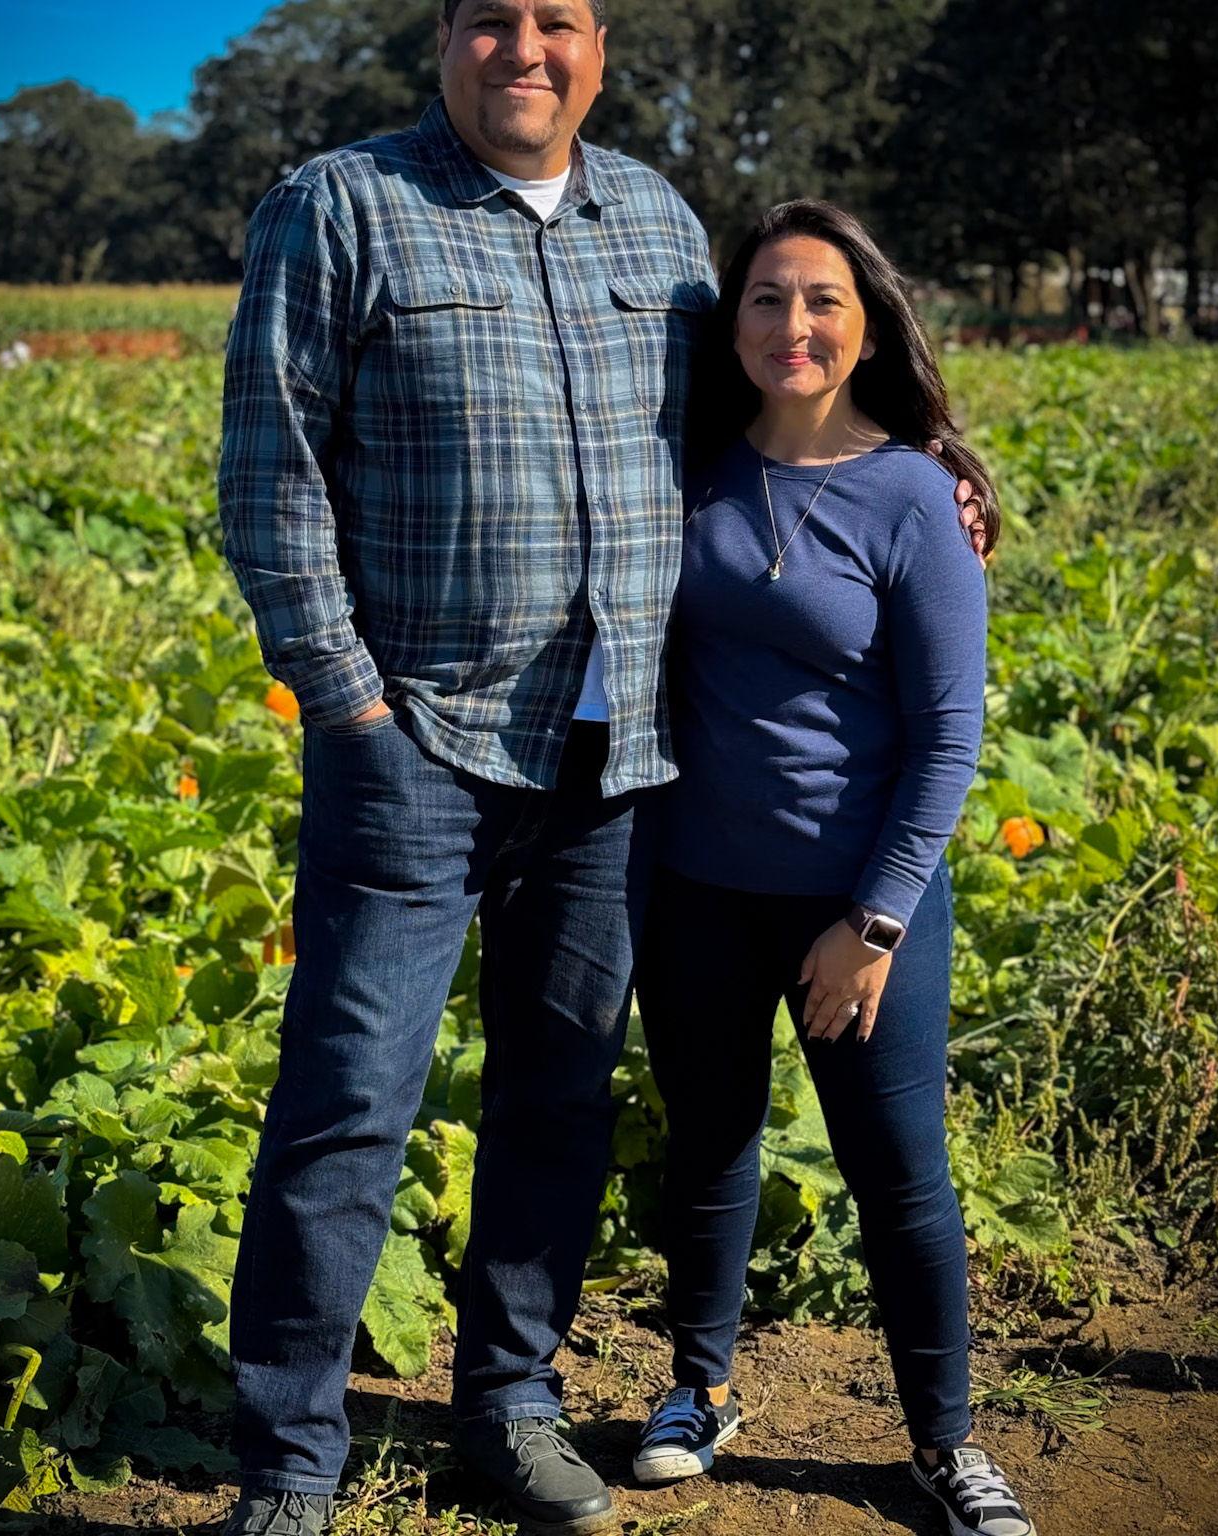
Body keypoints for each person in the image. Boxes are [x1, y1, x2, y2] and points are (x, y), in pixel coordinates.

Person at [217, 5, 987, 1533]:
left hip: (619, 760)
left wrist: (921, 474)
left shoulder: (657, 218)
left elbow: (759, 419)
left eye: (557, 18)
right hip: (414, 742)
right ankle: (292, 1461)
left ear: (599, 46)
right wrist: (349, 707)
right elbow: (270, 473)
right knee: (349, 1102)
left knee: (560, 1095)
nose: (526, 47)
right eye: (491, 18)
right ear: (447, 37)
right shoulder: (341, 206)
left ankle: (508, 1405)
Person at [630, 199, 1036, 1536]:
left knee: (898, 1171)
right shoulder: (688, 465)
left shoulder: (914, 495)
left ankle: (946, 1445)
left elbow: (949, 735)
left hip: (857, 900)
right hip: (696, 885)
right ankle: (699, 1386)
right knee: (709, 1146)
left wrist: (874, 921)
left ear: (868, 328)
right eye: (766, 298)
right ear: (730, 320)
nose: (792, 325)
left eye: (822, 302)